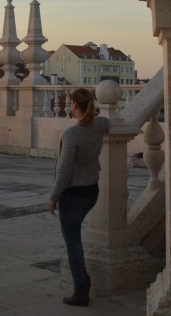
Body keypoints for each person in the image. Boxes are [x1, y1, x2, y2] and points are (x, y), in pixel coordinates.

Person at [48, 88, 110, 306]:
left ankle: (81, 290)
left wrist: (54, 197)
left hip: (73, 196)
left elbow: (64, 170)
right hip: (91, 191)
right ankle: (83, 278)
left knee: (73, 243)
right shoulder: (100, 125)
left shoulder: (72, 134)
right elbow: (106, 121)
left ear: (74, 104)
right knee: (75, 239)